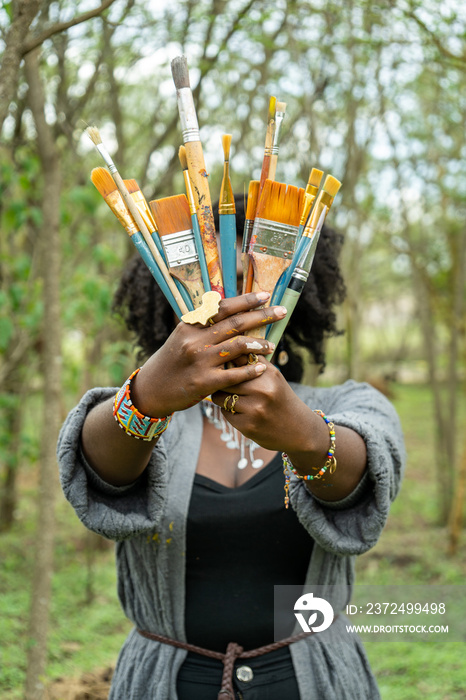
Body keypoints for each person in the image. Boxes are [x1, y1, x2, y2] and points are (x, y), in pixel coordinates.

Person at [57, 195, 405, 700]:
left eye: (252, 281)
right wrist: (146, 398)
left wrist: (304, 434)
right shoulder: (151, 415)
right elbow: (99, 461)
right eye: (215, 281)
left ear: (292, 293)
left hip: (316, 684)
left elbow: (365, 468)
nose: (232, 302)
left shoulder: (345, 404)